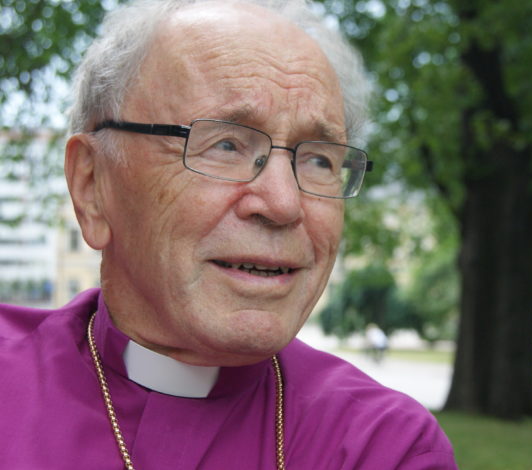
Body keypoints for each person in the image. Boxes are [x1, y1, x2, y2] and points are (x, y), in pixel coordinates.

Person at [0, 0, 458, 468]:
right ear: (92, 186)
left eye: (319, 159)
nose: (283, 203)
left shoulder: (383, 448)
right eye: (225, 144)